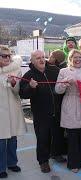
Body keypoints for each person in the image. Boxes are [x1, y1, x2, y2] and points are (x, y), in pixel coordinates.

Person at [19, 50, 62, 173]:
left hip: (57, 109)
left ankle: (56, 153)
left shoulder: (55, 70)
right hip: (41, 112)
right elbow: (22, 94)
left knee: (57, 133)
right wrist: (30, 87)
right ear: (32, 61)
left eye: (43, 57)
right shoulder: (28, 75)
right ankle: (43, 161)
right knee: (43, 137)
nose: (42, 60)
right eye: (38, 58)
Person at [55, 49, 81, 173]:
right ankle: (73, 163)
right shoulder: (63, 71)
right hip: (71, 103)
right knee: (72, 136)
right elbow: (57, 89)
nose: (78, 59)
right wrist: (64, 85)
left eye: (79, 57)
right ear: (70, 59)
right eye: (75, 57)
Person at [0, 47, 26, 179]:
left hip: (12, 108)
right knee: (0, 140)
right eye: (4, 56)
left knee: (12, 138)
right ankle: (1, 167)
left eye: (8, 56)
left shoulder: (16, 70)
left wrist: (14, 82)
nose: (7, 58)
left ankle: (11, 163)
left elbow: (17, 91)